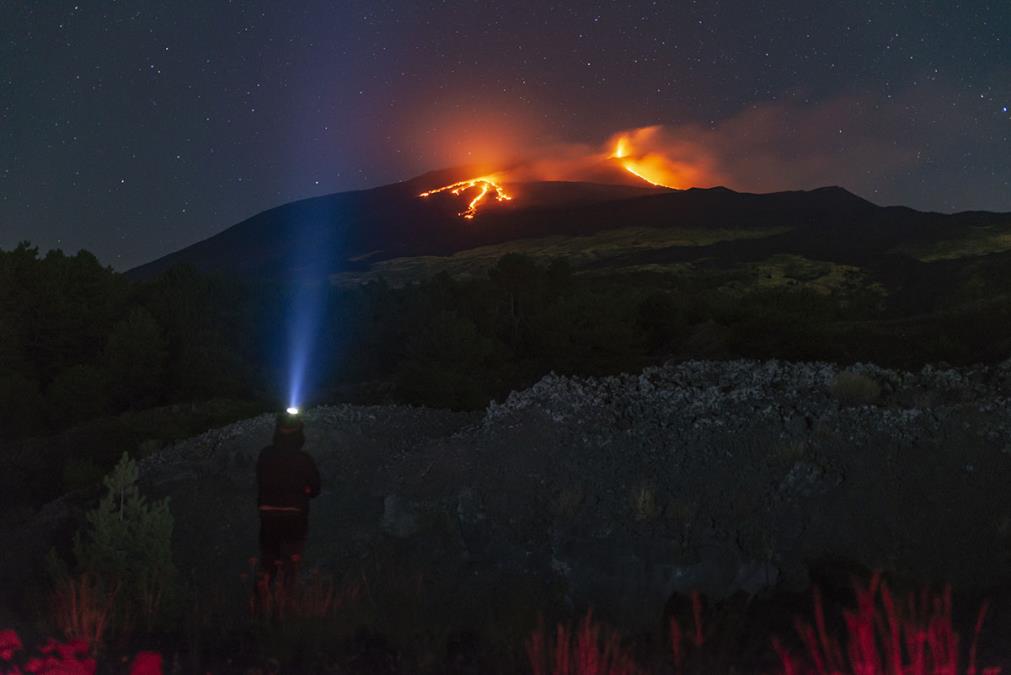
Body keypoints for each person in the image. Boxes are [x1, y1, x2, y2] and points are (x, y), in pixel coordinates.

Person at [256, 410, 321, 591]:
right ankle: (283, 602)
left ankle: (260, 602)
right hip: (295, 515)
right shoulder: (304, 459)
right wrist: (303, 491)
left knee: (267, 563)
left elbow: (260, 481)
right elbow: (316, 489)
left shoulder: (265, 454)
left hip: (268, 515)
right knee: (290, 566)